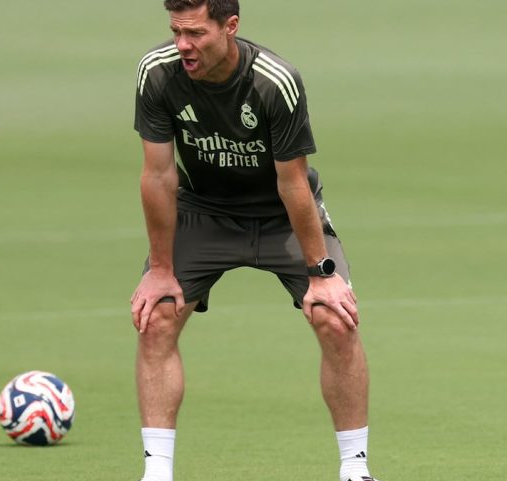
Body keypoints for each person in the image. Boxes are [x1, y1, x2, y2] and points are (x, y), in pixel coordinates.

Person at [131, 1, 378, 480]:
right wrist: (161, 269)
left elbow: (293, 183)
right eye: (176, 32)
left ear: (231, 26)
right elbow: (159, 175)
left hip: (282, 216)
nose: (183, 45)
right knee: (157, 317)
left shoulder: (273, 81)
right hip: (205, 212)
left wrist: (321, 275)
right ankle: (156, 473)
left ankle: (355, 468)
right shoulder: (157, 73)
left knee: (335, 318)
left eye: (196, 33)